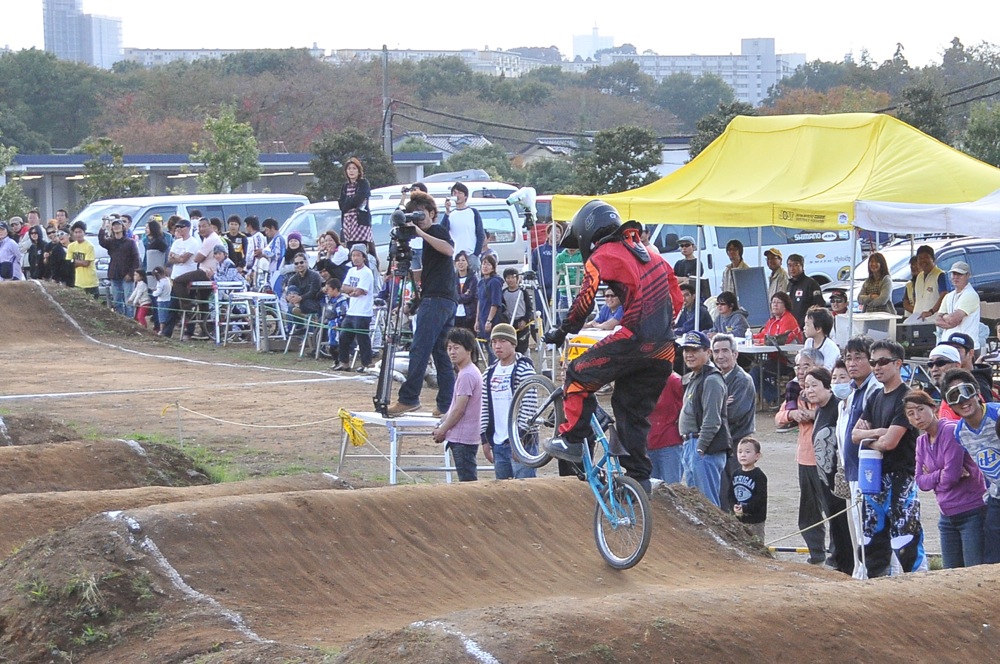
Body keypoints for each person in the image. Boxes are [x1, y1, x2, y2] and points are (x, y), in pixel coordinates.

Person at [541, 199, 678, 492]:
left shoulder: (603, 253)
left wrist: (564, 330)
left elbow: (585, 298)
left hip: (635, 339)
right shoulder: (652, 254)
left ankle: (573, 441)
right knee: (630, 409)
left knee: (578, 372)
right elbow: (676, 295)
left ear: (587, 233)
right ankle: (639, 478)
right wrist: (664, 327)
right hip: (665, 349)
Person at [851, 339, 926, 576]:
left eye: (883, 361)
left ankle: (921, 591)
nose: (876, 367)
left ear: (898, 363)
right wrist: (875, 434)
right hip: (874, 477)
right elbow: (855, 435)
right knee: (872, 540)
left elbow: (890, 442)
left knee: (905, 541)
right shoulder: (874, 396)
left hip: (900, 477)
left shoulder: (908, 398)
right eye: (873, 362)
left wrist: (870, 439)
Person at [387, 191, 457, 417]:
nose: (419, 221)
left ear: (433, 214)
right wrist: (406, 272)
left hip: (437, 300)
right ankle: (447, 403)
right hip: (443, 298)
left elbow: (449, 249)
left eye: (422, 216)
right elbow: (430, 272)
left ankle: (409, 398)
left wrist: (419, 232)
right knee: (440, 353)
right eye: (415, 217)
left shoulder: (436, 231)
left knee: (420, 348)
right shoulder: (430, 239)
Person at [907, 388, 986, 569]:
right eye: (911, 414)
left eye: (920, 409)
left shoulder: (950, 430)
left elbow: (950, 478)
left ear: (933, 408)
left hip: (971, 511)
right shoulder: (921, 442)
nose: (917, 416)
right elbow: (920, 481)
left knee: (974, 571)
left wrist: (935, 474)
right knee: (950, 572)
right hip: (946, 515)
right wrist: (942, 473)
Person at [943, 368, 1000, 564]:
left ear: (977, 392)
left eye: (966, 391)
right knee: (992, 559)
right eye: (954, 395)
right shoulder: (960, 433)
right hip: (996, 498)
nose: (962, 399)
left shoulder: (997, 414)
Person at [837, 336, 881, 578]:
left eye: (858, 358)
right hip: (852, 470)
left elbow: (863, 434)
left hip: (869, 472)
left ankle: (876, 576)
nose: (852, 363)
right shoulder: (853, 392)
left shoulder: (873, 390)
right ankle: (861, 574)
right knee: (857, 529)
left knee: (870, 529)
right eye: (848, 358)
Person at [803, 366, 853, 574]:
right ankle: (839, 560)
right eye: (806, 386)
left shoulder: (837, 407)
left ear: (828, 387)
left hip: (840, 480)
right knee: (835, 523)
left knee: (844, 526)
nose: (810, 390)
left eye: (815, 385)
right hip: (825, 479)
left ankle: (848, 565)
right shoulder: (820, 409)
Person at [776, 349, 824, 563]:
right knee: (808, 511)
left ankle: (840, 553)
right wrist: (791, 414)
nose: (802, 371)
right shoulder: (794, 391)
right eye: (798, 366)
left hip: (826, 459)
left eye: (807, 365)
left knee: (834, 508)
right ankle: (816, 553)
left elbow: (837, 411)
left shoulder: (826, 389)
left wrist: (814, 415)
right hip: (804, 458)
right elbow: (779, 419)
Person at [678, 330, 731, 507]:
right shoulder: (696, 377)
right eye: (686, 350)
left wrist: (700, 449)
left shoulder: (711, 380)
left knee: (708, 506)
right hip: (692, 444)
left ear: (707, 352)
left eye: (694, 350)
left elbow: (712, 420)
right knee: (698, 506)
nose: (689, 355)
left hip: (703, 447)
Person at [479, 323, 537, 480]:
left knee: (525, 490)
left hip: (522, 442)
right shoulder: (488, 373)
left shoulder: (524, 369)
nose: (497, 346)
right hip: (498, 442)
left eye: (502, 341)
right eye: (494, 342)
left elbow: (529, 407)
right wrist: (485, 438)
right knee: (503, 492)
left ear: (513, 343)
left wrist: (518, 439)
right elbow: (484, 407)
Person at [431, 327, 483, 482]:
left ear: (468, 350)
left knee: (467, 481)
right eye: (449, 348)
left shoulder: (467, 374)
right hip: (465, 436)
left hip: (463, 438)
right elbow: (454, 408)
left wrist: (443, 430)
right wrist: (442, 423)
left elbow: (459, 409)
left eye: (456, 348)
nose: (452, 352)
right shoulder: (466, 372)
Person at [713, 334, 756, 510]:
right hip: (721, 443)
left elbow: (733, 414)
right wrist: (721, 403)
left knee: (739, 498)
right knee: (722, 495)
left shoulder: (742, 380)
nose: (720, 356)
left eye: (725, 350)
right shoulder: (715, 377)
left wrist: (716, 406)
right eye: (716, 351)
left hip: (738, 444)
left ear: (735, 354)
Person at [751, 292, 803, 406]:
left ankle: (775, 397)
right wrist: (751, 337)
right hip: (775, 358)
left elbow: (781, 339)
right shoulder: (772, 320)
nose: (775, 305)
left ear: (785, 305)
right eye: (773, 302)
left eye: (778, 302)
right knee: (755, 370)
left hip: (787, 360)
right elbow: (764, 335)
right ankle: (775, 396)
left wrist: (760, 341)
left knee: (755, 372)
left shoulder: (788, 319)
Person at [333, 245, 375, 373]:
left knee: (362, 339)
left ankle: (366, 364)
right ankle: (344, 362)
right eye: (353, 255)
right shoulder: (351, 271)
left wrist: (352, 291)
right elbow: (344, 287)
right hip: (352, 310)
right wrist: (352, 291)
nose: (355, 258)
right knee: (344, 337)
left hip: (363, 312)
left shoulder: (367, 272)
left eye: (358, 255)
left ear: (363, 257)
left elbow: (360, 291)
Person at [99, 217, 141, 316]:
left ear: (123, 227)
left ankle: (130, 322)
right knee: (117, 301)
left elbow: (136, 260)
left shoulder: (130, 242)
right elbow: (101, 241)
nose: (116, 227)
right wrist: (104, 224)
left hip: (127, 276)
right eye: (114, 225)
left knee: (129, 301)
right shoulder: (110, 242)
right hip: (115, 275)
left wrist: (131, 274)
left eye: (118, 225)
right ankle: (120, 321)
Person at [935, 262, 981, 353]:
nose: (955, 277)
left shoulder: (970, 295)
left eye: (959, 274)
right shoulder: (948, 296)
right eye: (954, 274)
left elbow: (953, 319)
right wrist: (949, 318)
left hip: (966, 348)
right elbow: (937, 320)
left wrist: (945, 316)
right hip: (949, 346)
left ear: (967, 275)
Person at [648, 372, 684, 484]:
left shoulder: (674, 380)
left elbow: (690, 405)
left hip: (670, 443)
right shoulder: (642, 380)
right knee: (651, 492)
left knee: (672, 489)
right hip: (647, 444)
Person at [729, 437, 767, 541]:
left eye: (747, 452)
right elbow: (730, 494)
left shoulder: (759, 476)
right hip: (738, 518)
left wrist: (745, 508)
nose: (743, 455)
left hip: (755, 521)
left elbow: (760, 499)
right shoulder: (735, 473)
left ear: (757, 456)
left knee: (755, 543)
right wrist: (733, 506)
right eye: (739, 452)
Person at [442, 182, 485, 273]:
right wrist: (447, 211)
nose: (457, 195)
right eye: (454, 193)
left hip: (471, 255)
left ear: (465, 196)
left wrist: (476, 254)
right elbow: (443, 231)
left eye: (459, 193)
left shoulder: (473, 212)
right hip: (455, 258)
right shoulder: (451, 214)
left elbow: (480, 234)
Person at [944, 332, 994, 400]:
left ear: (970, 353)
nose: (953, 354)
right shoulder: (948, 379)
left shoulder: (979, 384)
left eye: (957, 350)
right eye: (950, 350)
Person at [338, 157, 373, 254]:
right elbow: (342, 205)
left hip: (360, 222)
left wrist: (348, 202)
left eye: (354, 168)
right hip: (347, 223)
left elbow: (358, 200)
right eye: (349, 169)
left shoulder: (363, 183)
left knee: (360, 251)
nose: (351, 171)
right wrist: (349, 203)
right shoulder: (345, 186)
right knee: (350, 251)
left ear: (358, 170)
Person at [475, 254, 504, 358]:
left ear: (493, 266)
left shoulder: (495, 282)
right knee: (487, 347)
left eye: (488, 264)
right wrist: (477, 320)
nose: (485, 266)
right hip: (482, 318)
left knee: (494, 349)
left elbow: (495, 303)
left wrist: (489, 320)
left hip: (492, 319)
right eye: (483, 264)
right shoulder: (481, 282)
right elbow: (479, 301)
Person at [786, 253, 826, 327]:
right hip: (792, 327)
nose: (792, 268)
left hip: (806, 327)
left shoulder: (811, 283)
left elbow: (819, 305)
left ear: (802, 266)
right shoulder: (789, 285)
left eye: (796, 265)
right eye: (790, 265)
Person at [926, 343, 963, 420]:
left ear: (957, 366)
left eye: (940, 363)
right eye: (930, 364)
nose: (934, 369)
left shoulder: (965, 395)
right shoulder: (946, 394)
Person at [913, 245, 950, 320]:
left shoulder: (940, 275)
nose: (923, 261)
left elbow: (944, 296)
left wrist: (931, 311)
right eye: (920, 258)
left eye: (926, 257)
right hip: (917, 320)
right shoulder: (919, 276)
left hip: (934, 320)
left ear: (933, 259)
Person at [501, 268, 532, 353]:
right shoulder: (503, 293)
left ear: (517, 278)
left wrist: (525, 320)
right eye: (508, 278)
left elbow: (529, 307)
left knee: (522, 346)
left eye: (512, 277)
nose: (510, 280)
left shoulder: (522, 291)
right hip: (510, 322)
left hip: (521, 322)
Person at [284, 251, 323, 317]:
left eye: (301, 262)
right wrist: (290, 298)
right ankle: (297, 324)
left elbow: (313, 292)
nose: (299, 265)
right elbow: (288, 293)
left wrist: (300, 298)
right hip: (296, 302)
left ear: (307, 263)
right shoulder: (292, 279)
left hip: (313, 302)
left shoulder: (315, 275)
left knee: (293, 307)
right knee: (291, 304)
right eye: (296, 263)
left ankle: (300, 323)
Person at [66, 222, 97, 296]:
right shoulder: (71, 246)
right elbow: (68, 263)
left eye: (80, 232)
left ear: (84, 232)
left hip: (90, 283)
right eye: (76, 232)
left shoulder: (89, 246)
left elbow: (86, 263)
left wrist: (74, 261)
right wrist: (78, 262)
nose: (78, 234)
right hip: (78, 282)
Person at [142, 219, 172, 290]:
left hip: (158, 270)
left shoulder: (160, 241)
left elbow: (166, 253)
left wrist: (166, 266)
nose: (146, 230)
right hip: (148, 270)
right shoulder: (145, 241)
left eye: (148, 228)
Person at [453, 251, 477, 331]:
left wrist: (459, 297)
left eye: (463, 260)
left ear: (467, 262)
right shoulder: (452, 279)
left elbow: (470, 296)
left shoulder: (473, 278)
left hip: (469, 314)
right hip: (455, 314)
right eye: (458, 260)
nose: (460, 263)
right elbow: (452, 296)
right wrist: (464, 294)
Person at [151, 266, 172, 336]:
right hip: (168, 299)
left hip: (161, 301)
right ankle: (164, 330)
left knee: (162, 316)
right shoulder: (168, 279)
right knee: (166, 315)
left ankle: (161, 330)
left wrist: (153, 293)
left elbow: (158, 292)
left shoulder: (160, 282)